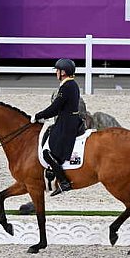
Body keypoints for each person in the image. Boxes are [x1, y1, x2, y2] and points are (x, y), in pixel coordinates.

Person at [32, 58, 80, 196]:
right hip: (68, 120)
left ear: (63, 72)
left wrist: (38, 115)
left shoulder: (67, 86)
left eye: (57, 71)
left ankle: (64, 181)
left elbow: (55, 108)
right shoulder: (71, 84)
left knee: (47, 153)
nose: (56, 73)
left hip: (67, 123)